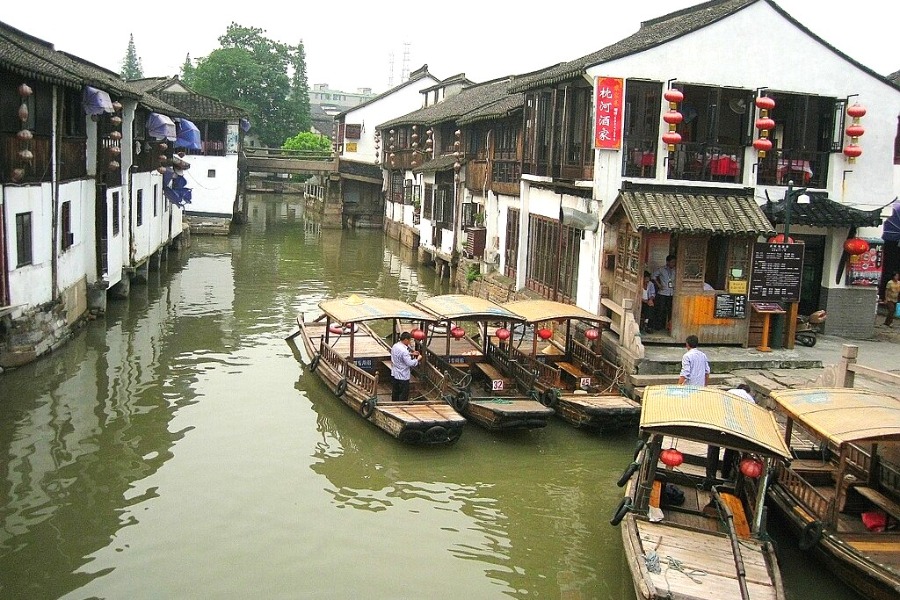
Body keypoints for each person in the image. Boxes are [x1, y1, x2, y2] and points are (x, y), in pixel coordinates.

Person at [390, 331, 420, 402]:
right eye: (409, 340)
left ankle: (394, 405)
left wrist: (411, 353)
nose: (409, 342)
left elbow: (400, 355)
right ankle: (402, 407)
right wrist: (418, 359)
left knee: (395, 392)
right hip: (403, 375)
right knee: (403, 394)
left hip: (395, 373)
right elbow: (410, 363)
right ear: (406, 340)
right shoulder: (404, 351)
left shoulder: (395, 346)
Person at [653, 254, 676, 331]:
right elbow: (653, 276)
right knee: (661, 310)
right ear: (667, 262)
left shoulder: (675, 270)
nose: (673, 264)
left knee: (670, 310)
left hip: (671, 293)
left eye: (674, 262)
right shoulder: (662, 269)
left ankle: (669, 327)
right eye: (672, 262)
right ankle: (658, 326)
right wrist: (659, 284)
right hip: (663, 293)